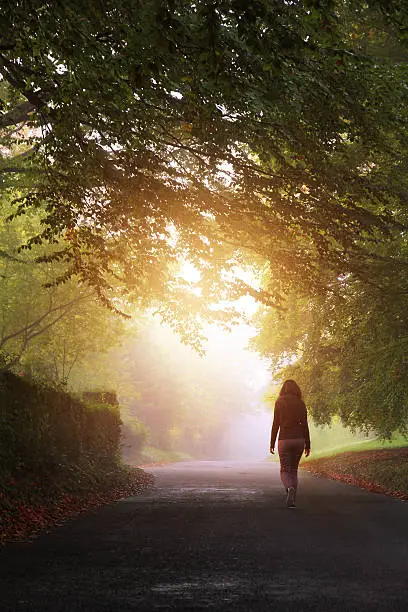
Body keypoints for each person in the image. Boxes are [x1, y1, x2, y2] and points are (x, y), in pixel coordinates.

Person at [270, 379, 311, 508]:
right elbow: (305, 425)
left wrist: (271, 443)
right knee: (293, 470)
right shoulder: (300, 403)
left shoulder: (279, 402)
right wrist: (308, 444)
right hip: (299, 439)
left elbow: (275, 424)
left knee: (284, 470)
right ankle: (292, 497)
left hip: (285, 439)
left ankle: (289, 488)